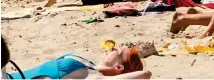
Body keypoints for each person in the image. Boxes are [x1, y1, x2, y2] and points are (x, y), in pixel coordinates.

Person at [5, 45, 149, 79]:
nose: (111, 48)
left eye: (116, 51)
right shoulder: (88, 64)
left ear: (119, 67)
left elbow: (145, 74)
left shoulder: (93, 76)